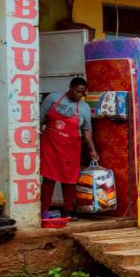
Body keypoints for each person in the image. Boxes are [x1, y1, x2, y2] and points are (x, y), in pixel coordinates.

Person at [40, 77, 98, 221]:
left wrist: (92, 149)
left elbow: (87, 129)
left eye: (82, 93)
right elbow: (39, 118)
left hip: (71, 147)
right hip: (50, 144)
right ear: (70, 87)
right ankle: (43, 210)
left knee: (69, 180)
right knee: (48, 179)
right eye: (77, 91)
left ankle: (69, 211)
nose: (79, 95)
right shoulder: (53, 98)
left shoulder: (84, 107)